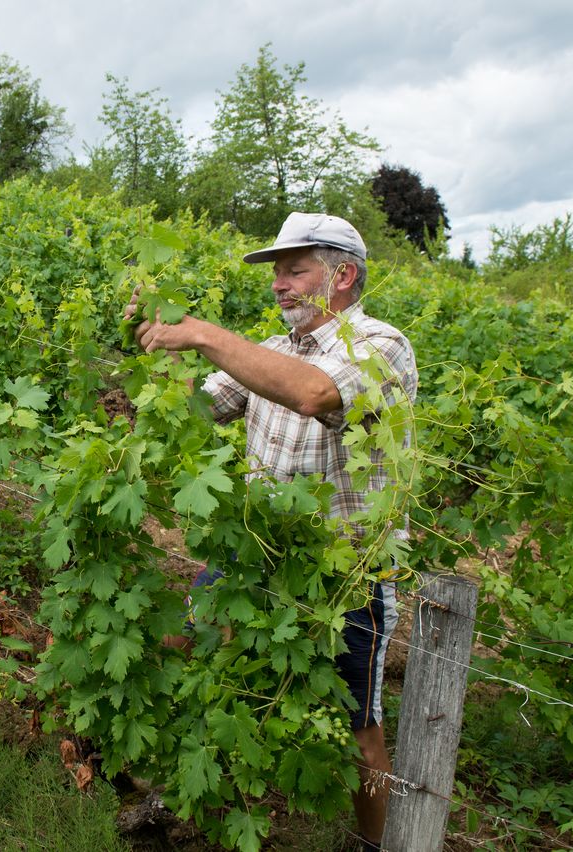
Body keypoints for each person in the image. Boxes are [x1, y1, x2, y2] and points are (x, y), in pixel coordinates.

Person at [126, 211, 417, 851]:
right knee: (192, 648)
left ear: (343, 276)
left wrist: (204, 333)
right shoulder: (272, 352)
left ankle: (372, 846)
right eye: (278, 273)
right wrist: (149, 359)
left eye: (295, 270)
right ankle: (175, 794)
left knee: (358, 724)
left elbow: (315, 396)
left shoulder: (381, 347)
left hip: (343, 573)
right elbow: (202, 406)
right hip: (252, 554)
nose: (280, 284)